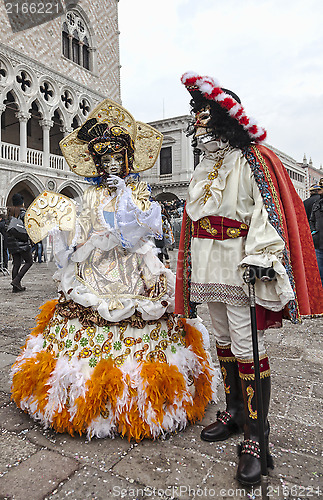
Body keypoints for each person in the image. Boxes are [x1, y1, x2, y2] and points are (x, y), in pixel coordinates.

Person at [10, 98, 217, 441]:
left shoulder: (136, 190)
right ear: (96, 162)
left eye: (116, 159)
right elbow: (80, 231)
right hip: (95, 266)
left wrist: (126, 202)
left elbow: (149, 227)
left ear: (126, 160)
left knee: (147, 305)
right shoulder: (89, 196)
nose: (111, 166)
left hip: (132, 266)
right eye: (104, 160)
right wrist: (68, 236)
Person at [175, 71, 323, 486]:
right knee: (220, 337)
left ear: (224, 117)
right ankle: (235, 412)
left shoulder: (253, 158)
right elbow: (193, 217)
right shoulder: (205, 164)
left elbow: (266, 209)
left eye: (204, 114)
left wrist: (261, 253)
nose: (198, 122)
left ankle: (257, 436)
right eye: (196, 114)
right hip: (205, 261)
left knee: (245, 342)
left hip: (238, 259)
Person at [6, 193, 33, 292]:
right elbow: (28, 227)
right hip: (22, 242)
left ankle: (15, 288)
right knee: (29, 262)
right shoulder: (24, 213)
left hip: (12, 242)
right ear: (22, 203)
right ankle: (17, 281)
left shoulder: (11, 213)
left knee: (16, 263)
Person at [309, 178, 323, 285]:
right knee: (320, 275)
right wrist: (314, 231)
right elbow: (312, 220)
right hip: (318, 244)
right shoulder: (317, 204)